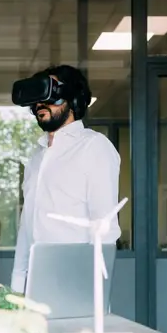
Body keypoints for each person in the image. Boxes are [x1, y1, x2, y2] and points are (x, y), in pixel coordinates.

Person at [10, 64, 122, 293]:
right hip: (35, 285)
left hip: (75, 285)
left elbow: (105, 229)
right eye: (37, 100)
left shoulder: (95, 147)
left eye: (50, 96)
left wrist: (92, 296)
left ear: (73, 100)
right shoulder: (36, 159)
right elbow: (26, 226)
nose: (41, 105)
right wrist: (17, 288)